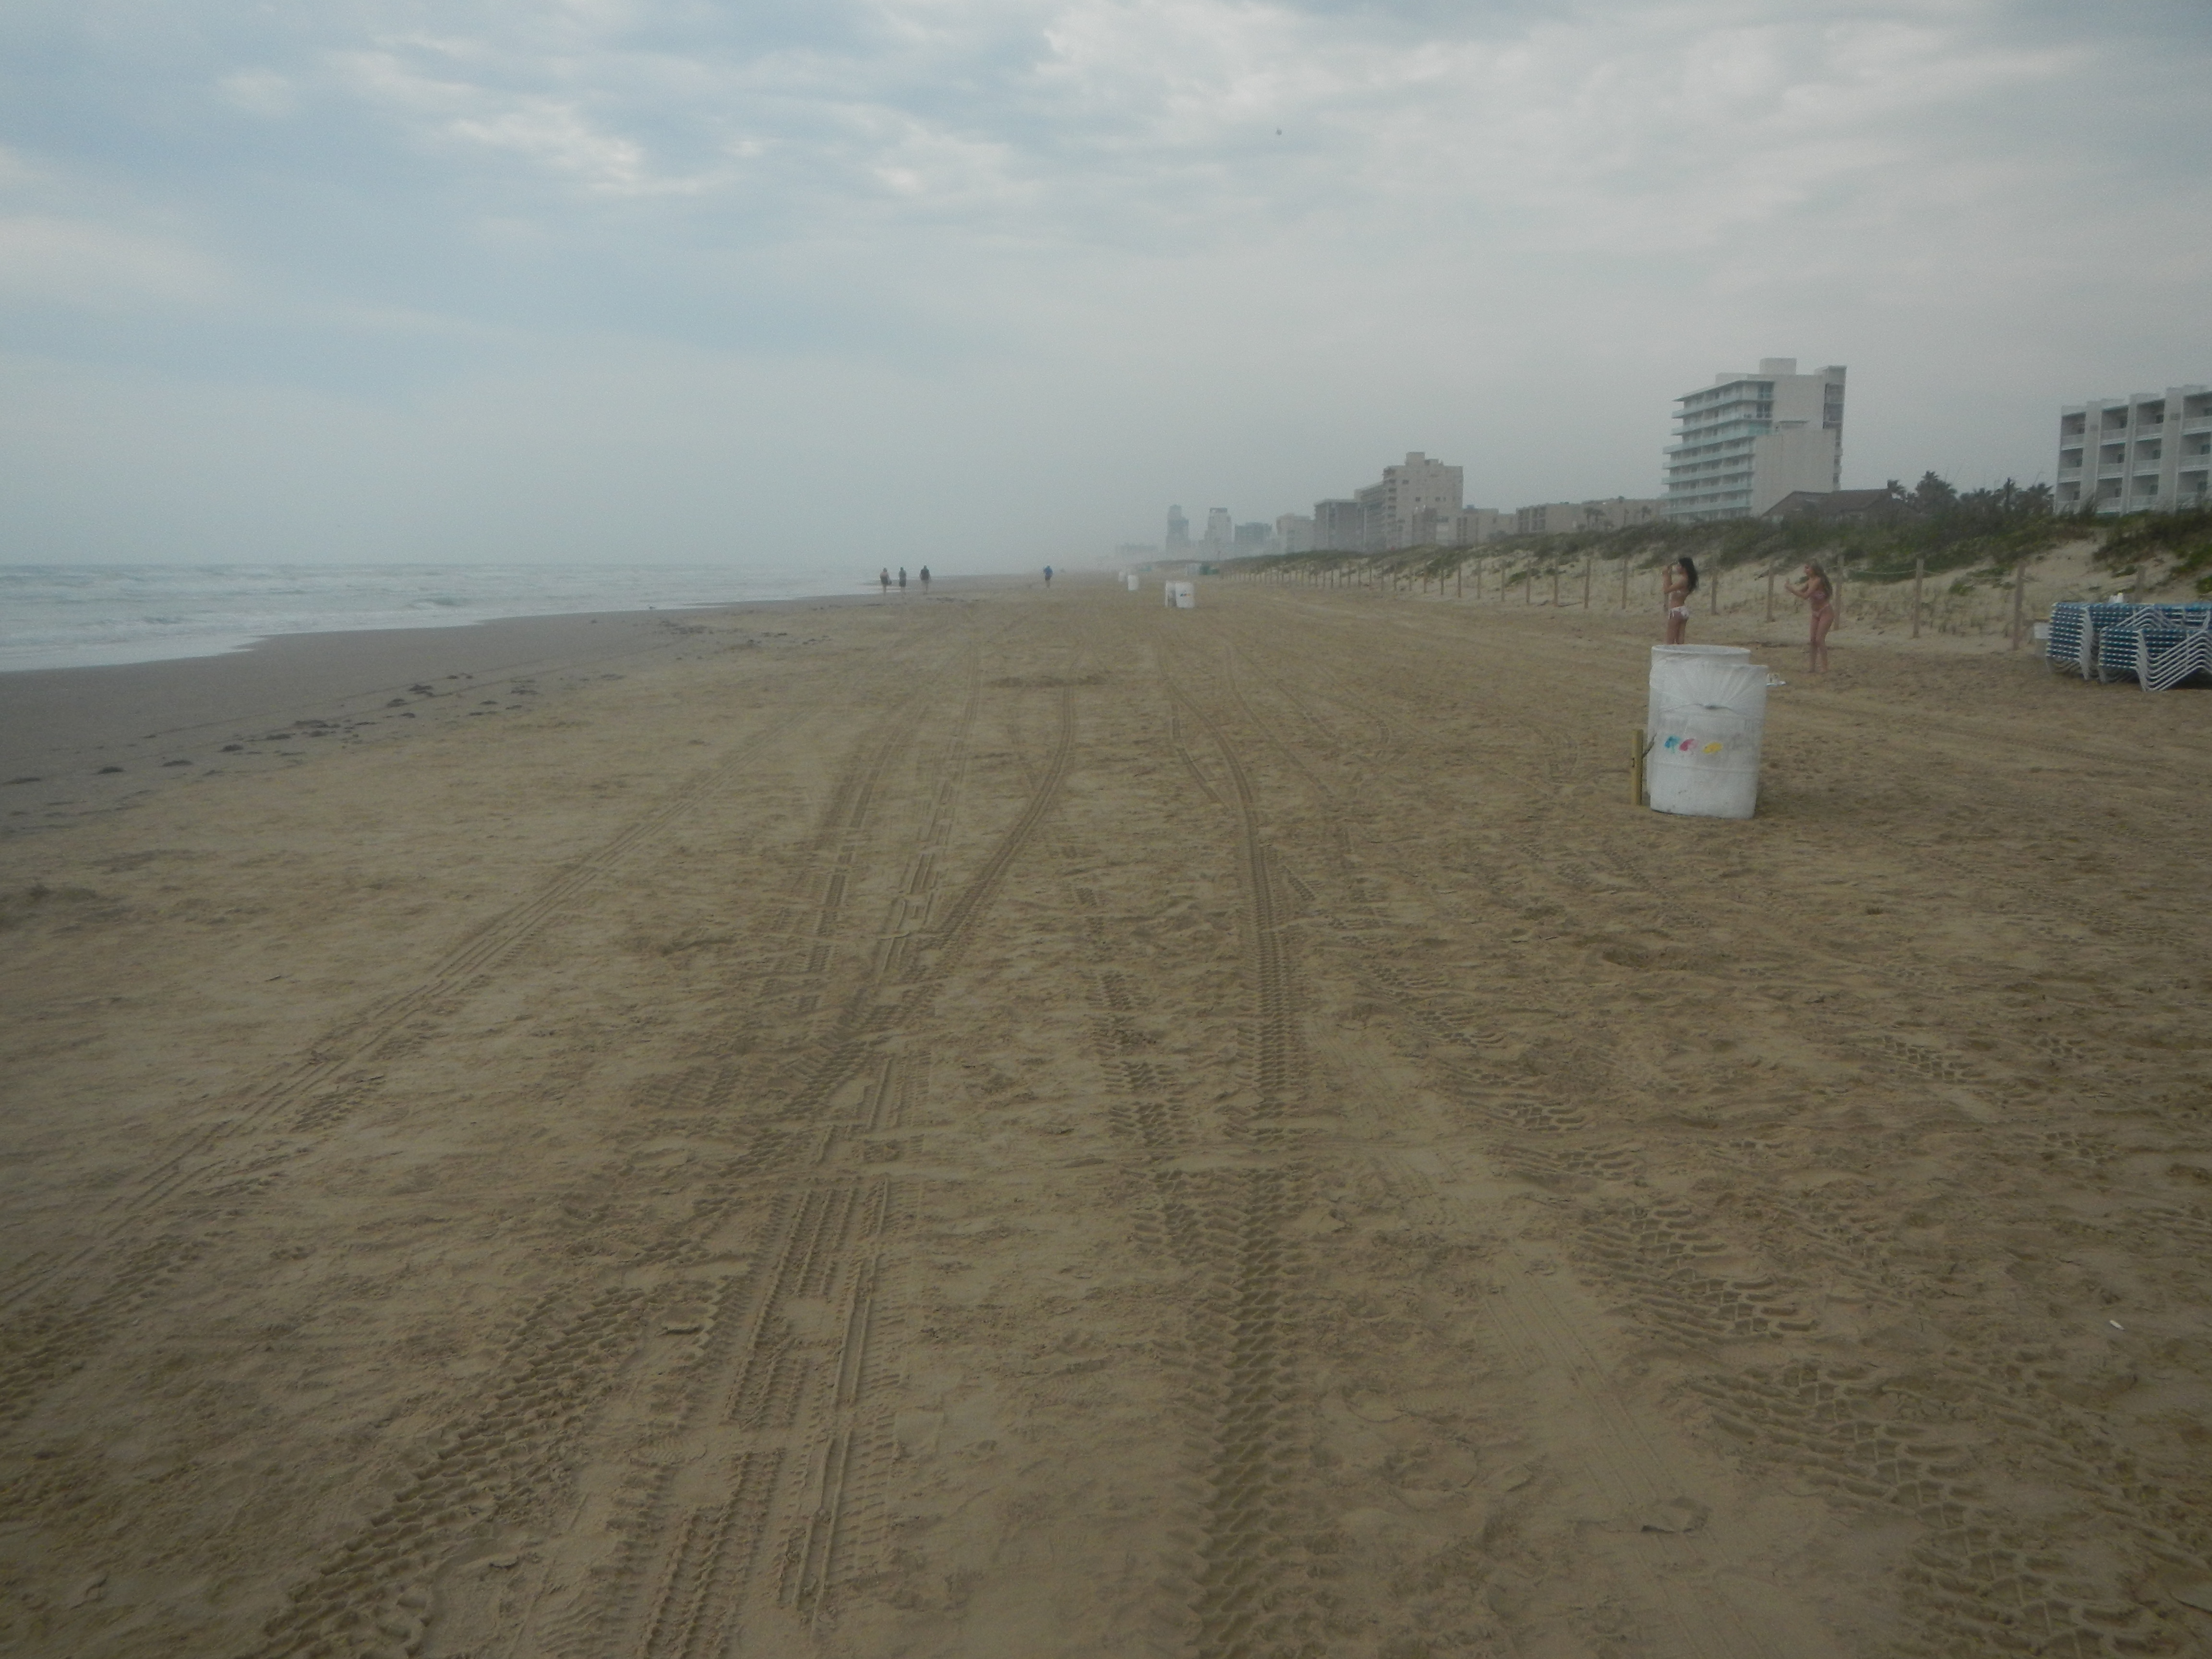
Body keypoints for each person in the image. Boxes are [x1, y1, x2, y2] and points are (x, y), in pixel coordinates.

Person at [1787, 560, 1835, 673]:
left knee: (1819, 639)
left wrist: (1791, 589)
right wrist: (1791, 588)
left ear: (1814, 569)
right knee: (1813, 640)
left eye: (1808, 568)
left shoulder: (1818, 580)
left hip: (1826, 611)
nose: (1806, 571)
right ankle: (1812, 667)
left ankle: (1825, 667)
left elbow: (1805, 596)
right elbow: (1801, 592)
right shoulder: (1810, 581)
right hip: (1815, 612)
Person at [1662, 556, 1697, 644]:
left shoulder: (1683, 580)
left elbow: (1666, 590)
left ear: (1684, 568)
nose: (1677, 568)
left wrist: (1665, 575)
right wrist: (1669, 576)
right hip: (1683, 610)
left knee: (1670, 641)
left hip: (1676, 611)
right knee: (1680, 641)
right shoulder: (1688, 580)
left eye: (1679, 566)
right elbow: (1671, 588)